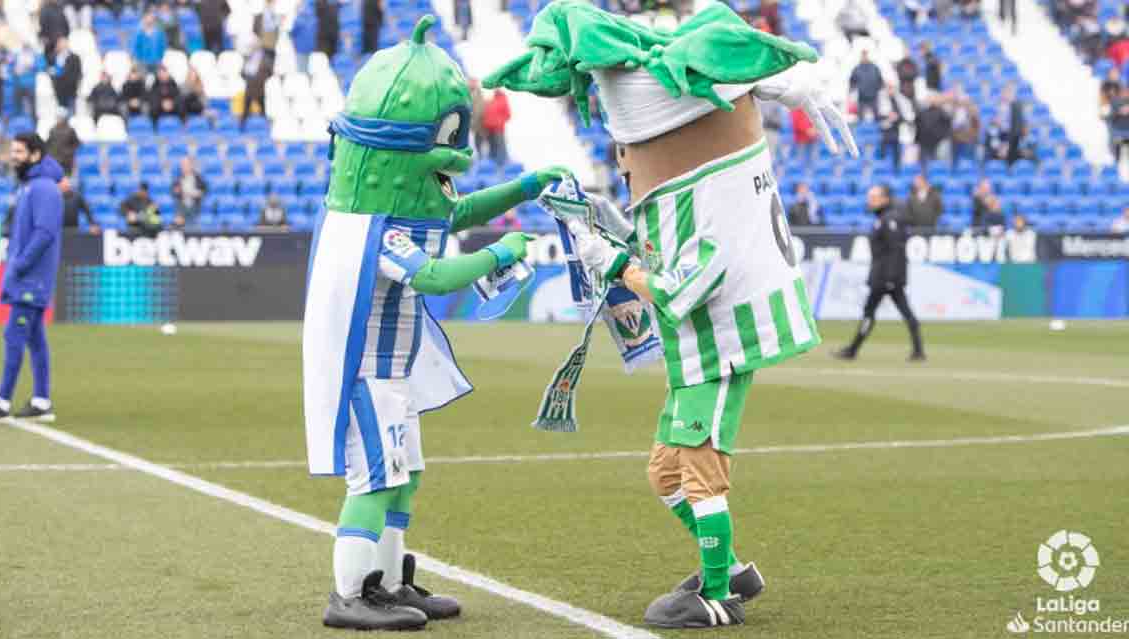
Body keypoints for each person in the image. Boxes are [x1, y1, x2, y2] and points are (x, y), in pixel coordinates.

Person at [487, 1, 858, 628]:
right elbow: (657, 253)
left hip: (718, 354)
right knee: (665, 473)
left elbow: (681, 288)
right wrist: (603, 228)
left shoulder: (711, 213)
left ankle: (717, 593)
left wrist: (611, 262)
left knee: (701, 469)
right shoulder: (677, 208)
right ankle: (734, 566)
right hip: (692, 359)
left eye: (631, 151)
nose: (626, 162)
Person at [303, 17, 574, 631]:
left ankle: (392, 582)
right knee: (373, 481)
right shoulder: (376, 229)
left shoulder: (401, 212)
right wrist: (501, 253)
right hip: (366, 376)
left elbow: (458, 211)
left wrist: (524, 188)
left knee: (403, 481)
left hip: (393, 376)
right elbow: (433, 277)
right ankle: (349, 594)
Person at [0, 133, 64, 422]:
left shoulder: (44, 188)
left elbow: (45, 233)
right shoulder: (31, 187)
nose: (14, 156)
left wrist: (20, 265)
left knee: (14, 335)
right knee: (35, 339)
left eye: (19, 152)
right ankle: (41, 400)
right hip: (27, 275)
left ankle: (2, 400)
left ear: (35, 154)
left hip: (32, 277)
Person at [835, 184, 925, 362]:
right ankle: (918, 350)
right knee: (903, 312)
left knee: (871, 312)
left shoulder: (889, 219)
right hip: (886, 276)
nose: (870, 200)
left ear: (885, 199)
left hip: (885, 277)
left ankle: (853, 350)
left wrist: (891, 278)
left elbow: (895, 250)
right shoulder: (884, 218)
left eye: (874, 197)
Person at [878, 81, 909, 172]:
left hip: (897, 129)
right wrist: (888, 116)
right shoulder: (881, 99)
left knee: (897, 152)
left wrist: (896, 117)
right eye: (889, 88)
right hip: (886, 130)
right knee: (883, 152)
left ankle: (897, 170)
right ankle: (881, 170)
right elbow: (878, 115)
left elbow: (905, 115)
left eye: (892, 88)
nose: (890, 90)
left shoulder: (900, 100)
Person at [915, 94, 951, 169]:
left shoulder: (942, 113)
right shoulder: (922, 113)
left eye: (934, 99)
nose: (932, 101)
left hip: (938, 142)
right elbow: (918, 127)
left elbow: (947, 126)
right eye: (930, 99)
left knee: (938, 165)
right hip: (924, 143)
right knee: (923, 164)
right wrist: (917, 140)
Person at [48, 36, 82, 113]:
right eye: (60, 43)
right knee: (61, 111)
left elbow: (78, 73)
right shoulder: (54, 57)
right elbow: (51, 70)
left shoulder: (75, 57)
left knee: (72, 112)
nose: (61, 45)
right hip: (59, 89)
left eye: (63, 43)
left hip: (71, 89)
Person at [171, 156, 207, 226]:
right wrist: (178, 192)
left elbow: (204, 192)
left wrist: (195, 193)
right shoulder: (177, 179)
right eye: (182, 165)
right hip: (182, 210)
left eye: (186, 164)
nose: (184, 167)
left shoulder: (199, 179)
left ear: (191, 165)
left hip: (195, 208)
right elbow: (174, 192)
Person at [240, 46, 271, 127]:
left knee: (263, 108)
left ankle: (267, 125)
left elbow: (268, 72)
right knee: (247, 107)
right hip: (250, 86)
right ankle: (242, 125)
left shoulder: (267, 59)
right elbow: (243, 73)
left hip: (260, 87)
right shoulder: (248, 59)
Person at [849, 50, 883, 122]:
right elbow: (852, 82)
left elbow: (880, 81)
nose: (865, 57)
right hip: (862, 98)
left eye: (866, 55)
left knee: (877, 117)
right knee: (860, 118)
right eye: (863, 55)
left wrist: (876, 89)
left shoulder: (875, 68)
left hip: (873, 97)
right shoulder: (857, 68)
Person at [11, 46, 43, 119]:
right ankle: (18, 123)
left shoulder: (35, 56)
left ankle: (33, 124)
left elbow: (41, 66)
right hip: (19, 85)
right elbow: (10, 67)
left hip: (30, 85)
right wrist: (14, 70)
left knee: (32, 107)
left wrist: (31, 66)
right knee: (17, 107)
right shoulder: (17, 55)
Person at [482, 88, 511, 165]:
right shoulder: (492, 100)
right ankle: (492, 160)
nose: (496, 91)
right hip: (489, 128)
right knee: (491, 144)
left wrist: (499, 122)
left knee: (500, 144)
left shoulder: (503, 100)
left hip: (498, 128)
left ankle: (503, 161)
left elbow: (508, 115)